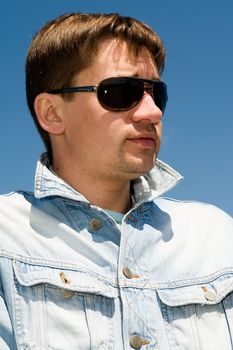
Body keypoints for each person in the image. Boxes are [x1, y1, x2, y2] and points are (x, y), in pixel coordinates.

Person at [0, 12, 233, 350]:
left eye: (157, 94)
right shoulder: (6, 239)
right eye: (122, 92)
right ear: (52, 113)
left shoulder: (218, 238)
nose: (152, 112)